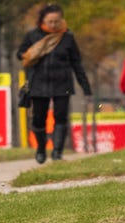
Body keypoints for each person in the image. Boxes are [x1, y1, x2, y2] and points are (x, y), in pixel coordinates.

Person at [17, 4, 92, 164]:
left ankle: (57, 152)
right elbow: (20, 54)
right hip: (39, 83)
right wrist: (32, 53)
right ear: (42, 20)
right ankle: (41, 149)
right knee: (38, 119)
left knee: (61, 117)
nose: (53, 25)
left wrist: (85, 87)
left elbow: (76, 63)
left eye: (56, 21)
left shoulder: (67, 37)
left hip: (62, 83)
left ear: (61, 20)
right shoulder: (33, 36)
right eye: (50, 21)